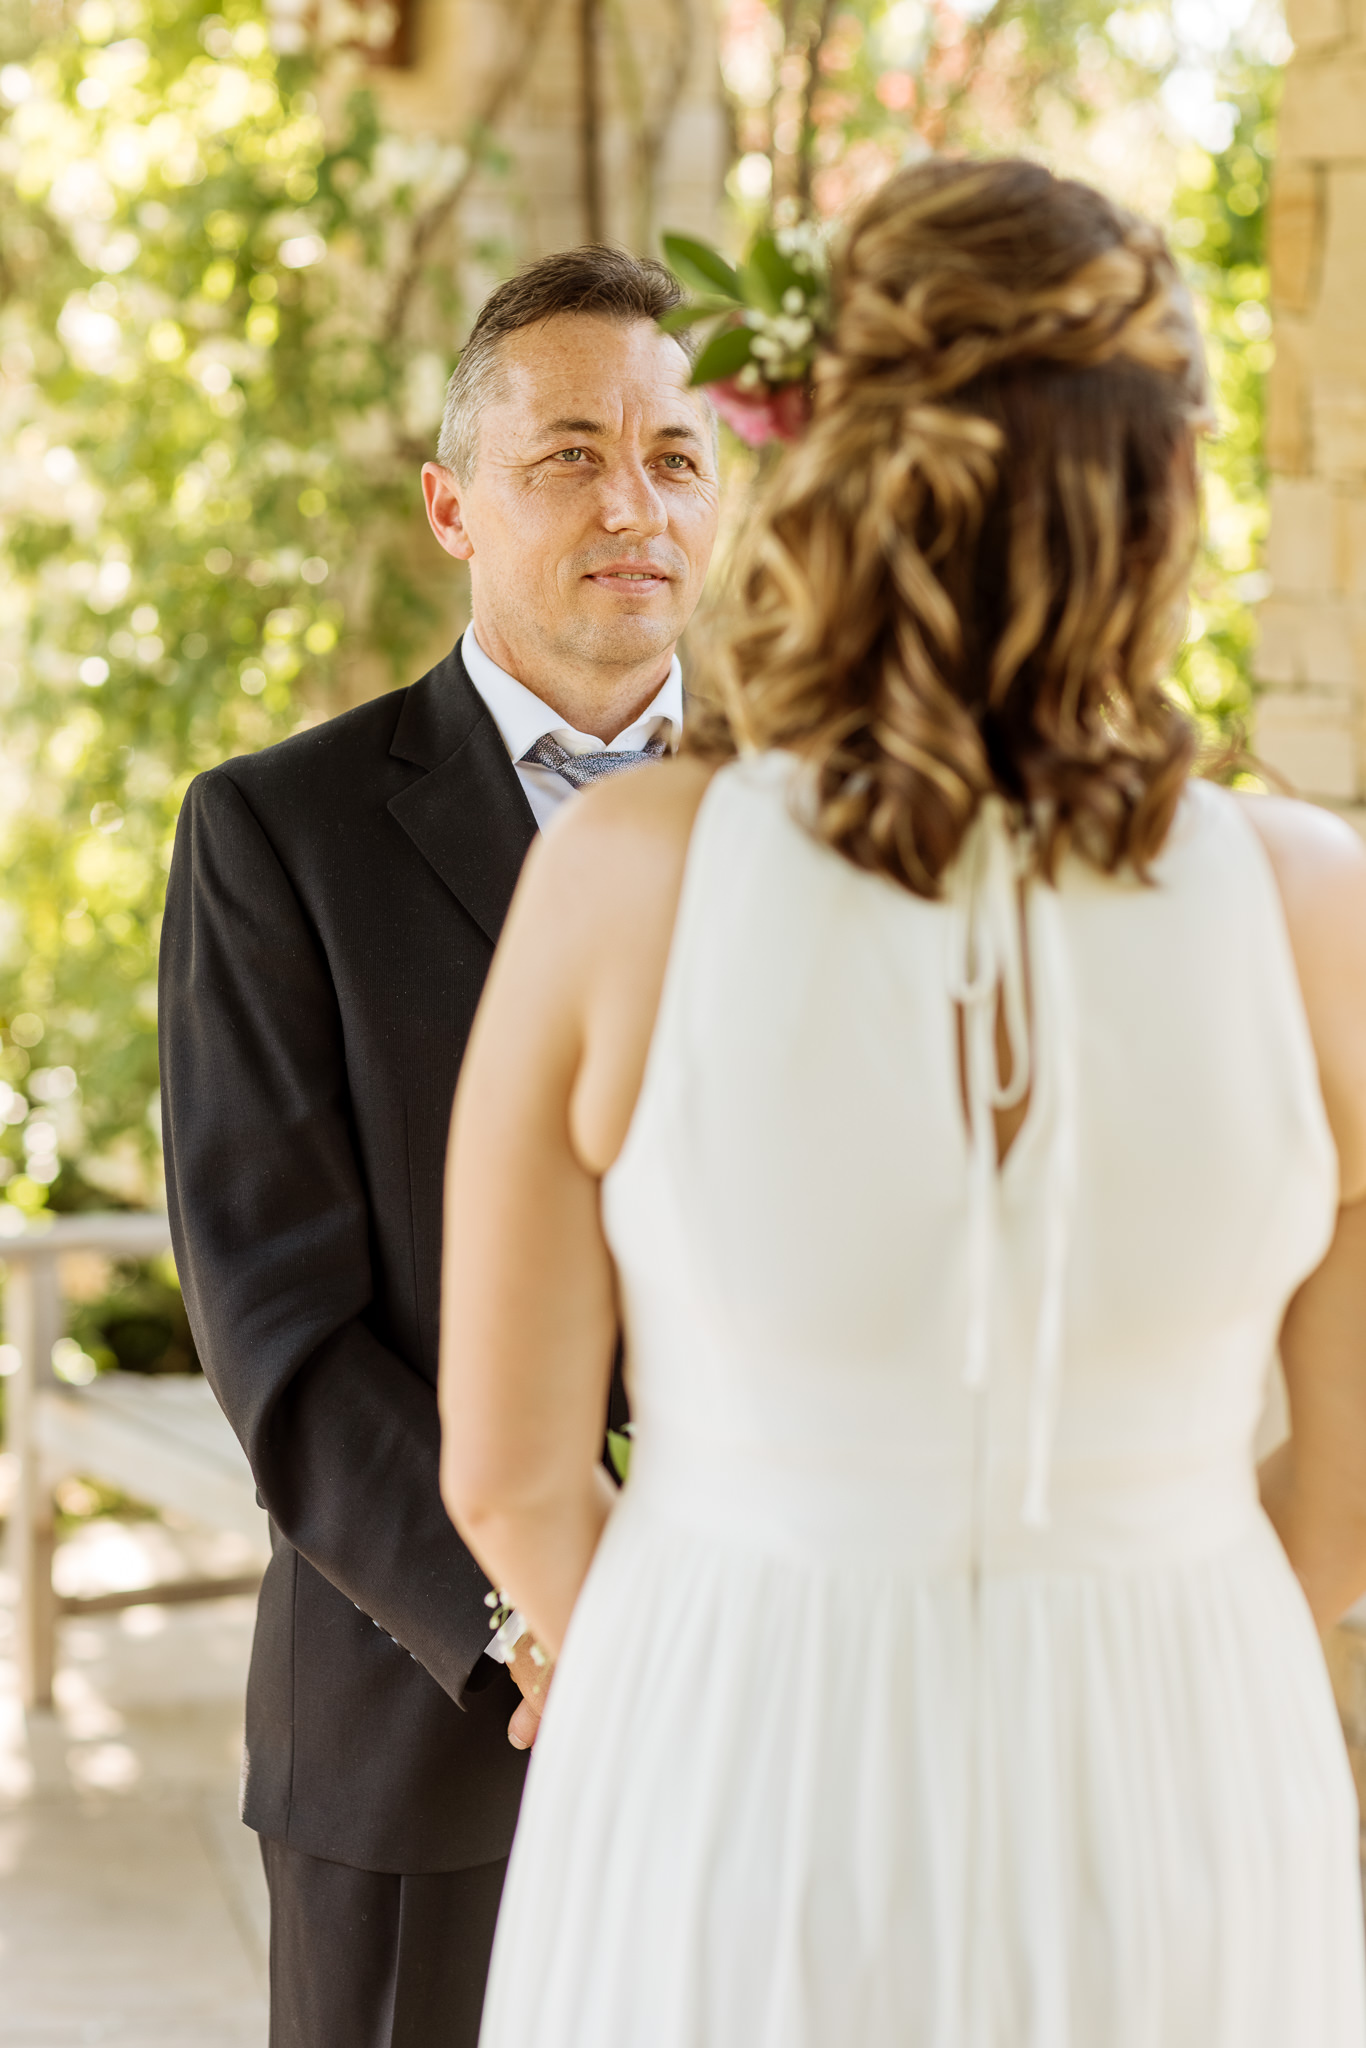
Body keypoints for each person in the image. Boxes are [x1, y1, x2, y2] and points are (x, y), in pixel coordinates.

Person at [439, 161, 1366, 2045]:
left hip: (723, 1759)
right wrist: (1137, 1640)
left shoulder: (632, 874)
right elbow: (1344, 1507)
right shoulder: (1307, 907)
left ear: (825, 451)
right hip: (1188, 1764)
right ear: (1160, 485)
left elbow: (508, 1474)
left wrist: (705, 1669)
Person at [158, 245, 719, 2048]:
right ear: (452, 506)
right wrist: (556, 1614)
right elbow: (281, 1332)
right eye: (567, 454)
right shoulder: (279, 837)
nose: (630, 502)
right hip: (436, 1725)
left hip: (788, 1695)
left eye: (675, 455)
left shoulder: (841, 816)